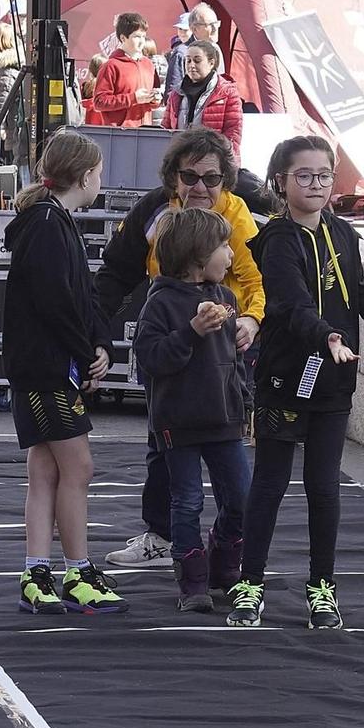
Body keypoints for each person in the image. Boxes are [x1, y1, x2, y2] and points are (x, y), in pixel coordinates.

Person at [230, 135, 364, 629]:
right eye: (303, 176)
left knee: (324, 487)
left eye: (324, 176)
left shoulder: (343, 234)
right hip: (286, 379)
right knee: (269, 483)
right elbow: (290, 305)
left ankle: (321, 588)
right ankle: (250, 584)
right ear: (280, 183)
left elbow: (362, 295)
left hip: (333, 381)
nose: (315, 184)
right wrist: (326, 334)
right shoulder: (276, 241)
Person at [96, 129, 264, 571]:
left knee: (234, 472)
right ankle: (162, 535)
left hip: (223, 356)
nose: (200, 188)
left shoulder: (238, 217)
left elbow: (255, 280)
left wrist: (251, 319)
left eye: (211, 179)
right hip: (168, 342)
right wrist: (91, 333)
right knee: (163, 451)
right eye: (189, 177)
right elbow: (115, 272)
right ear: (173, 177)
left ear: (226, 180)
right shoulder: (153, 210)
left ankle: (225, 545)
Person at [2, 130, 127, 617]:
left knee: (46, 468)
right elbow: (56, 302)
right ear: (85, 175)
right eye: (98, 172)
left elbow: (82, 295)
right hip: (45, 369)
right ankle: (77, 569)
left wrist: (98, 342)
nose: (101, 180)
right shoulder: (49, 225)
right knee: (78, 467)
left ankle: (37, 571)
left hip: (45, 365)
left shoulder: (54, 221)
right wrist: (86, 348)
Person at [133, 207, 252, 613]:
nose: (231, 256)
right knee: (186, 502)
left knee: (240, 497)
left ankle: (224, 564)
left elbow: (234, 363)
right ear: (198, 257)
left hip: (224, 419)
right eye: (224, 247)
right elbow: (150, 358)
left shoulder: (225, 296)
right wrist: (191, 332)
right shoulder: (161, 303)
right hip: (178, 423)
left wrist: (244, 402)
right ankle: (193, 579)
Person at [164, 39, 244, 155]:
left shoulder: (227, 93)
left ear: (211, 63)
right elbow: (166, 128)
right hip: (180, 160)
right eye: (188, 61)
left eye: (197, 60)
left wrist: (219, 162)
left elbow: (233, 134)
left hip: (213, 163)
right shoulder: (176, 92)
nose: (191, 65)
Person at [92, 13, 158, 128]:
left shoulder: (149, 64)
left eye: (143, 36)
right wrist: (133, 98)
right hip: (120, 134)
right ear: (123, 38)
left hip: (146, 131)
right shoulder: (110, 66)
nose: (142, 41)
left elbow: (153, 100)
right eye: (137, 36)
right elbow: (99, 102)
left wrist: (155, 99)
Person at [165, 6, 219, 105]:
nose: (215, 29)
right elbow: (172, 94)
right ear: (194, 29)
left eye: (216, 24)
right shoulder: (181, 53)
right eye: (210, 25)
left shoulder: (216, 50)